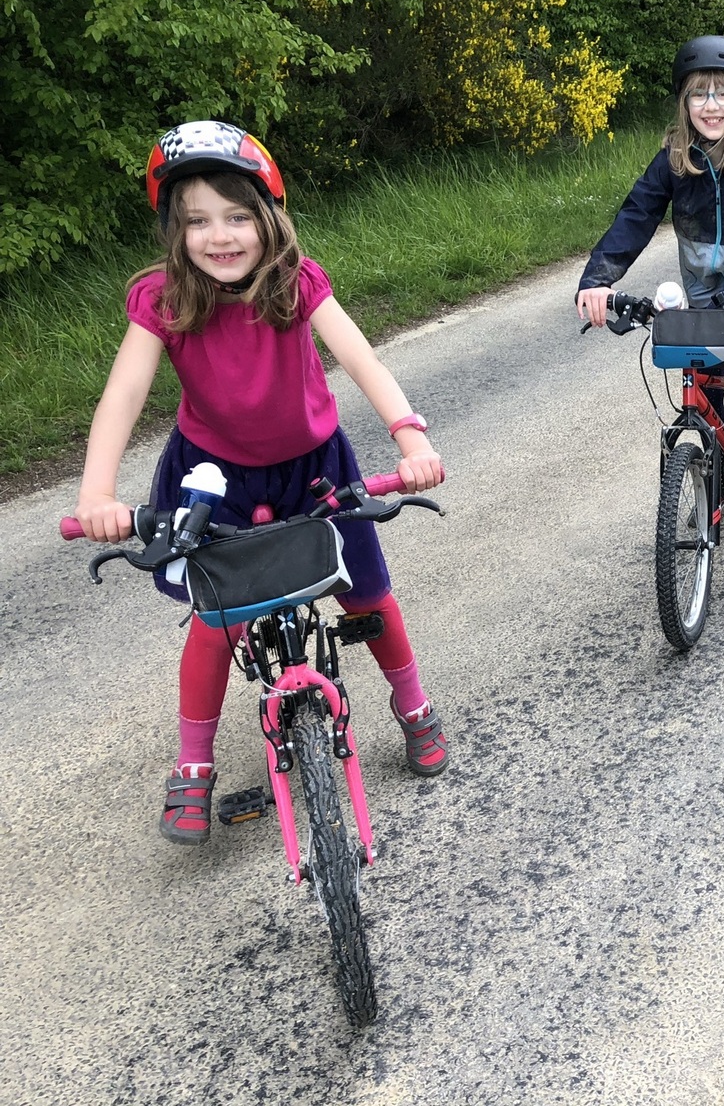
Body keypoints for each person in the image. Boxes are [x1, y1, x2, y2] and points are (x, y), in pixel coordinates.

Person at [73, 120, 450, 845]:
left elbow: (361, 359)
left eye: (237, 216)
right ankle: (193, 763)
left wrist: (410, 436)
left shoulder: (297, 283)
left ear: (269, 218)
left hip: (314, 469)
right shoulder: (162, 298)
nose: (219, 236)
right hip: (214, 479)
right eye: (197, 221)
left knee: (366, 594)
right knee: (218, 620)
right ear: (175, 231)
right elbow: (123, 394)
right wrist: (97, 492)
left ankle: (413, 704)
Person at [576, 36, 724, 451]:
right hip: (699, 278)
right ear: (684, 101)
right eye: (699, 94)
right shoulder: (675, 154)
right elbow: (637, 213)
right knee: (704, 368)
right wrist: (597, 279)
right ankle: (716, 463)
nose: (712, 106)